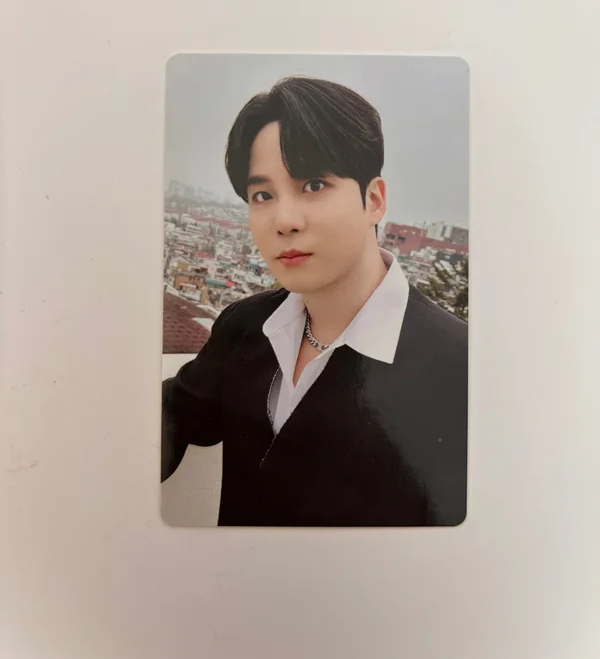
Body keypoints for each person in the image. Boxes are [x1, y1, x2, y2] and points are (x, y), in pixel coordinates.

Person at [162, 76, 468, 527]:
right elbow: (170, 422)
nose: (284, 220)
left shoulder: (458, 368)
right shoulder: (246, 326)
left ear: (374, 200)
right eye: (262, 195)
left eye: (313, 185)